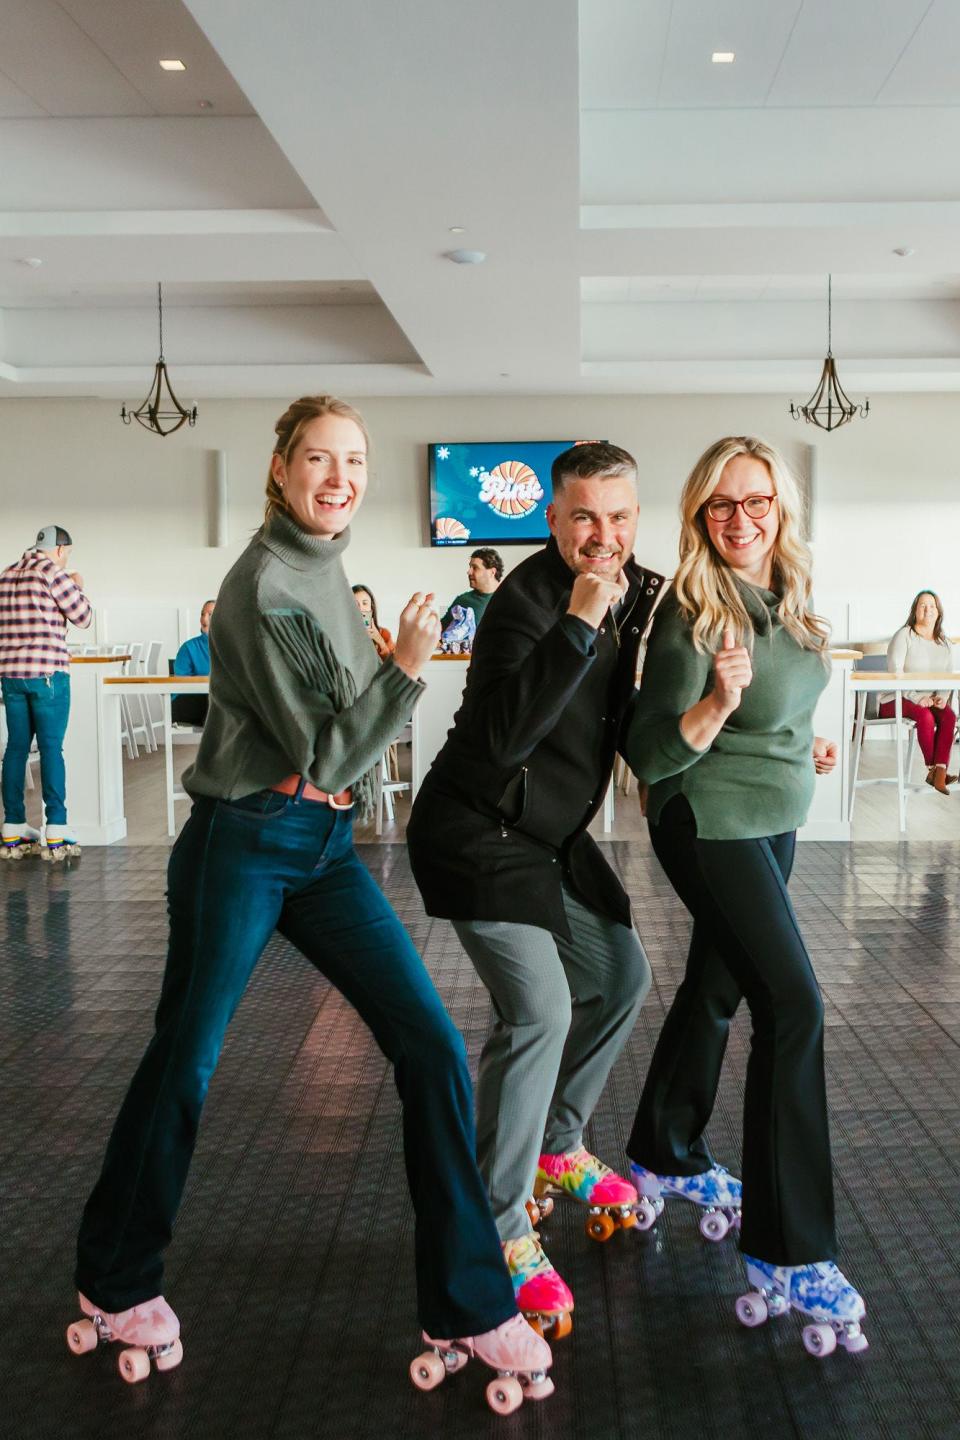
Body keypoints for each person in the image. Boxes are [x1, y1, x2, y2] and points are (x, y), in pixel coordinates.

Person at [71, 396, 551, 1399]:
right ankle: (114, 1280)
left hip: (325, 845)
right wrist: (409, 668)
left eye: (356, 462)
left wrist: (383, 670)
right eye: (319, 460)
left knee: (428, 1042)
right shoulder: (261, 586)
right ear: (281, 469)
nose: (339, 478)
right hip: (245, 843)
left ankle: (468, 1299)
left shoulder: (328, 570)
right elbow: (333, 744)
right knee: (186, 1061)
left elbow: (342, 738)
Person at [407, 443, 663, 1335]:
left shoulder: (646, 588)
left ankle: (557, 1145)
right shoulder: (519, 605)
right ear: (550, 518)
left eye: (621, 516)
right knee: (542, 1012)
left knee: (623, 977)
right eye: (585, 517)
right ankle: (498, 1222)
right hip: (476, 832)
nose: (605, 536)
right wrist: (581, 624)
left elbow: (692, 655)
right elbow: (508, 735)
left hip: (549, 839)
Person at [624, 435, 867, 1353]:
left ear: (781, 510)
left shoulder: (790, 603)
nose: (741, 518)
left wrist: (801, 747)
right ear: (700, 514)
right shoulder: (694, 613)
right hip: (707, 821)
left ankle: (664, 1145)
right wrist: (716, 708)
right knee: (793, 1005)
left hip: (772, 817)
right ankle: (790, 1248)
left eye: (756, 501)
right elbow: (651, 755)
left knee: (718, 989)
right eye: (722, 504)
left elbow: (787, 709)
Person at [0, 524, 92, 861]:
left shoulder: (7, 574)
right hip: (48, 675)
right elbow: (83, 617)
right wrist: (79, 586)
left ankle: (12, 825)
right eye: (67, 553)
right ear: (60, 549)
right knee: (52, 748)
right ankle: (56, 826)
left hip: (10, 675)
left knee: (16, 749)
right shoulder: (53, 572)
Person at [880, 591, 957, 795]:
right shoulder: (904, 635)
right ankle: (933, 770)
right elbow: (895, 673)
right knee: (925, 715)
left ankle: (940, 770)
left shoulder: (944, 642)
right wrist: (917, 697)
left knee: (949, 715)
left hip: (928, 700)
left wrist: (942, 696)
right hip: (896, 698)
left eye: (932, 606)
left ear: (938, 611)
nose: (927, 610)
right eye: (922, 605)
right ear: (915, 611)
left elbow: (948, 675)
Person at [171, 599, 215, 726]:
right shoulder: (188, 647)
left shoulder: (231, 647)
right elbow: (180, 683)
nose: (204, 619)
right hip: (188, 702)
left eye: (210, 614)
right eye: (202, 614)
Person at [439, 547, 503, 631]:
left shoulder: (510, 599)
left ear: (492, 572)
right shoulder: (463, 601)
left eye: (475, 568)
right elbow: (441, 631)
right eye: (470, 567)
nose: (469, 572)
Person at [352, 583, 395, 659]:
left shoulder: (384, 634)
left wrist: (380, 642)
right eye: (355, 604)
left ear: (371, 609)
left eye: (365, 603)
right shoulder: (343, 635)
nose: (360, 609)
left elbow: (393, 667)